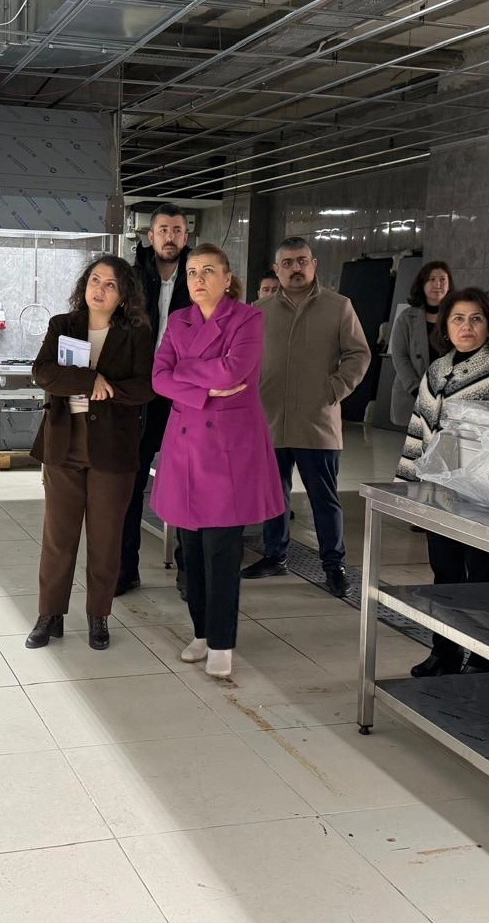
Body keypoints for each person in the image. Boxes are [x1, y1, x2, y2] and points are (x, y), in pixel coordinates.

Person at [150, 244, 286, 679]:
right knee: (189, 550)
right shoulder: (178, 320)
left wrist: (185, 375)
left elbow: (234, 371)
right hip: (185, 447)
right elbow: (158, 378)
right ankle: (201, 632)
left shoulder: (248, 319)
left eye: (208, 271)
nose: (198, 279)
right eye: (192, 272)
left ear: (227, 279)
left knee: (222, 551)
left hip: (229, 448)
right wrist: (205, 388)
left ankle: (223, 642)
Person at [396, 288, 489, 677]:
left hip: (486, 499)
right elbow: (419, 429)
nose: (466, 327)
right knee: (445, 574)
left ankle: (485, 655)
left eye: (476, 318)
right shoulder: (437, 370)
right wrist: (409, 488)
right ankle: (445, 650)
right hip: (440, 494)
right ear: (445, 326)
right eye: (457, 318)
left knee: (485, 576)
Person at [25, 257, 155, 652]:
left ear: (123, 295)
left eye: (110, 284)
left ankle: (99, 615)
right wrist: (88, 379)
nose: (99, 289)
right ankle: (50, 614)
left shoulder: (136, 333)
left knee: (106, 538)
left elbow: (147, 387)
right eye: (94, 280)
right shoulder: (62, 325)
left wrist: (107, 389)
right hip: (64, 443)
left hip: (113, 448)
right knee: (58, 537)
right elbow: (42, 372)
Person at [242, 236, 372, 597]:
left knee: (324, 498)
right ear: (277, 269)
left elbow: (358, 354)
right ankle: (275, 556)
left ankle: (334, 566)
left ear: (313, 265)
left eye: (301, 261)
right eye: (287, 263)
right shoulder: (258, 311)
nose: (295, 269)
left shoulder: (338, 306)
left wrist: (334, 390)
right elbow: (244, 359)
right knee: (274, 494)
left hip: (318, 422)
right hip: (270, 420)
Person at [119, 204, 193, 596]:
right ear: (150, 236)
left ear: (186, 236)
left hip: (183, 394)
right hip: (140, 394)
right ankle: (125, 568)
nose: (170, 237)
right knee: (131, 482)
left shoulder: (197, 277)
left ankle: (187, 570)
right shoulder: (131, 279)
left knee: (186, 481)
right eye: (163, 229)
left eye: (177, 230)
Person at [387, 261, 453, 427]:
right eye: (432, 279)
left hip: (446, 395)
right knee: (413, 441)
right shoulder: (406, 317)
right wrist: (416, 389)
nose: (438, 284)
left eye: (443, 279)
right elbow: (399, 356)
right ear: (422, 284)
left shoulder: (457, 316)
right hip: (411, 393)